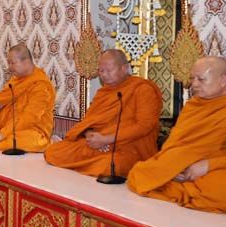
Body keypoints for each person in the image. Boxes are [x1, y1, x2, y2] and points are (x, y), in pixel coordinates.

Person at [127, 56, 226, 212]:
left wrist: (207, 165)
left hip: (212, 169)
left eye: (201, 79)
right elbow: (175, 143)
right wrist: (173, 168)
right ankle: (186, 189)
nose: (194, 84)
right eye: (192, 79)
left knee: (220, 189)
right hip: (180, 168)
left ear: (223, 80)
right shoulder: (193, 106)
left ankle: (179, 190)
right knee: (138, 173)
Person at [45, 49, 161, 177]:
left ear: (124, 68)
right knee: (53, 152)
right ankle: (87, 165)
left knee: (109, 166)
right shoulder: (104, 92)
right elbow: (89, 122)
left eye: (109, 70)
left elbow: (144, 126)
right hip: (97, 144)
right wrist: (91, 136)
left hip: (128, 148)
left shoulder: (143, 89)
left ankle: (87, 165)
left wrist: (107, 139)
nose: (104, 75)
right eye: (101, 71)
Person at [0, 43, 55, 153]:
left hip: (32, 129)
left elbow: (29, 118)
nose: (9, 67)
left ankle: (47, 143)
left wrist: (3, 134)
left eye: (12, 63)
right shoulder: (15, 81)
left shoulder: (40, 85)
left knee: (16, 142)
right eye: (8, 63)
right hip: (9, 126)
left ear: (26, 62)